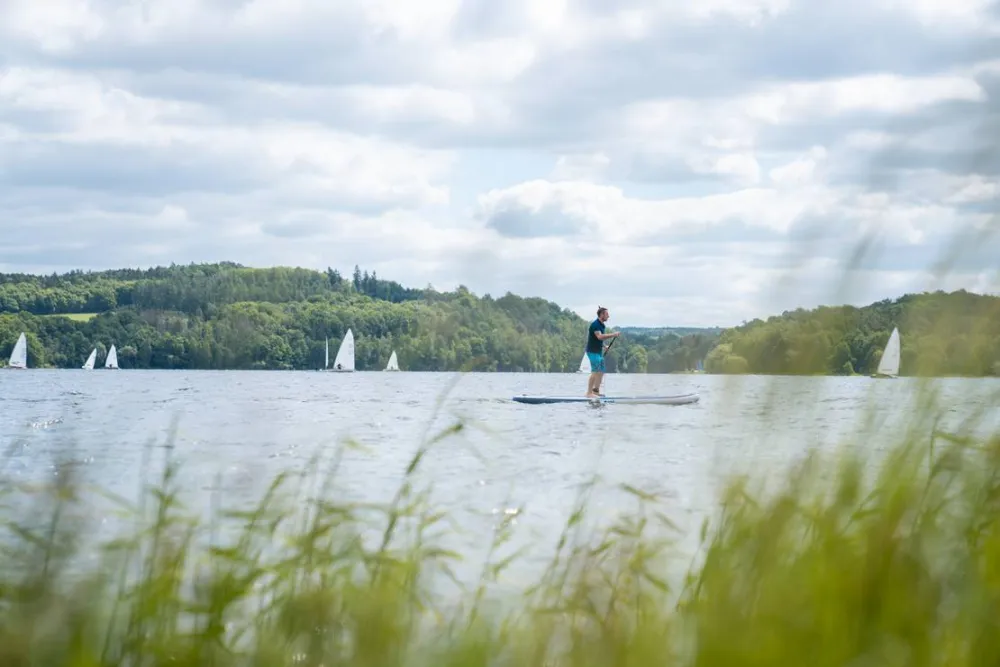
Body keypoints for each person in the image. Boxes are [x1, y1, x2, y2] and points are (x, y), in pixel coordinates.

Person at [585, 306, 620, 398]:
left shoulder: (602, 325)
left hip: (598, 351)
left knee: (601, 372)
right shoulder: (595, 325)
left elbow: (598, 339)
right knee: (595, 371)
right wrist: (613, 334)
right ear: (601, 315)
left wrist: (604, 346)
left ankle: (595, 391)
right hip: (592, 352)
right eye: (607, 314)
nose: (608, 316)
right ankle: (588, 393)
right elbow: (599, 337)